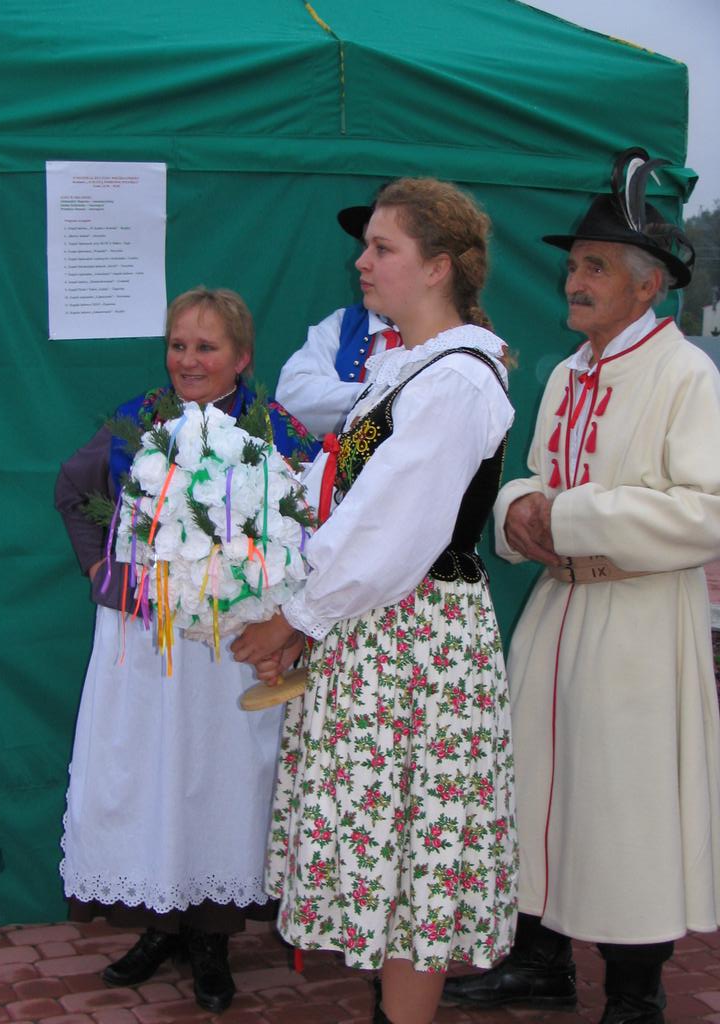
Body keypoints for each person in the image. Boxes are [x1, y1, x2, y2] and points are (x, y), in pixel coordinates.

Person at [442, 148, 720, 1024]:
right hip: (558, 613)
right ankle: (540, 961)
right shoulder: (569, 373)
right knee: (536, 785)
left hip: (639, 622)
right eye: (574, 267)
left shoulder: (686, 374)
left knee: (626, 804)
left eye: (594, 267)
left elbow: (708, 508)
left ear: (648, 285)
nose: (574, 281)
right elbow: (532, 476)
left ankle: (636, 992)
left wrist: (568, 516)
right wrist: (520, 509)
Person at [232, 177, 518, 1024]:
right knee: (394, 854)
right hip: (383, 633)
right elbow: (347, 499)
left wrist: (298, 617)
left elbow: (394, 525)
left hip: (417, 641)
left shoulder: (456, 381)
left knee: (417, 856)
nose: (362, 262)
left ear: (438, 267)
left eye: (382, 247)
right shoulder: (406, 368)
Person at [55, 287, 317, 1014]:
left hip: (232, 646)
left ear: (242, 357)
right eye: (178, 345)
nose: (189, 360)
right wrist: (105, 573)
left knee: (219, 777)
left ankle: (211, 936)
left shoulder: (276, 429)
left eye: (207, 347)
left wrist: (291, 609)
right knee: (150, 774)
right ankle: (159, 924)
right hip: (148, 644)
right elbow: (73, 491)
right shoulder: (139, 420)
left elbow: (322, 511)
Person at [275, 188, 403, 438]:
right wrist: (386, 397)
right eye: (365, 245)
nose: (360, 262)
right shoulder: (342, 324)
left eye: (381, 249)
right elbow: (291, 397)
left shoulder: (454, 340)